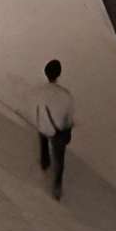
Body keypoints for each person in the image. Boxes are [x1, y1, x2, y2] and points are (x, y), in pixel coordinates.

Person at [36, 59, 74, 198]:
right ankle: (57, 185)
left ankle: (45, 162)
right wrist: (68, 129)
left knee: (43, 141)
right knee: (59, 157)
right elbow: (69, 117)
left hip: (44, 127)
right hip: (58, 131)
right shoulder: (65, 95)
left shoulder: (41, 91)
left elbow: (39, 110)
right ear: (59, 74)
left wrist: (41, 123)